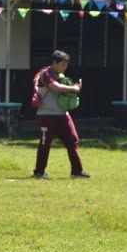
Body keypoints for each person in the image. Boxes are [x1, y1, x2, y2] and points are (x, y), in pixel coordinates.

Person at [32, 50, 89, 178]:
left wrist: (73, 87)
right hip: (47, 115)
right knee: (45, 143)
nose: (65, 67)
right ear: (54, 63)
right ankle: (39, 172)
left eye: (66, 64)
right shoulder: (46, 74)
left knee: (72, 140)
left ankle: (77, 171)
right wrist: (74, 88)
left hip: (63, 114)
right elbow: (55, 87)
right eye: (62, 64)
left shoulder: (61, 75)